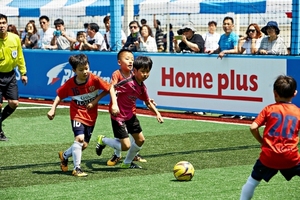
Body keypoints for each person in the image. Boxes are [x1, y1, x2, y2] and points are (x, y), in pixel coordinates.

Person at [47, 54, 118, 176]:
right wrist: (53, 109)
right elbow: (59, 95)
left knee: (83, 145)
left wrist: (112, 104)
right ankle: (77, 169)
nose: (85, 72)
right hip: (77, 113)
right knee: (79, 139)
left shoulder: (94, 79)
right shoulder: (70, 84)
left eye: (86, 68)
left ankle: (64, 156)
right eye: (81, 70)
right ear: (74, 70)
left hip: (91, 116)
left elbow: (110, 88)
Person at [95, 56, 164, 169]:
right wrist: (113, 104)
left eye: (147, 72)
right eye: (142, 71)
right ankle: (103, 139)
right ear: (135, 71)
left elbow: (147, 102)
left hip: (130, 116)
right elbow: (111, 88)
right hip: (119, 117)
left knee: (140, 140)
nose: (145, 74)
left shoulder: (142, 87)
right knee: (126, 146)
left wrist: (157, 113)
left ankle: (126, 163)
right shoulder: (127, 82)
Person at [240, 75, 300, 200]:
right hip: (291, 157)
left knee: (252, 181)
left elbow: (253, 127)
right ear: (295, 93)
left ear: (274, 93)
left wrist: (262, 142)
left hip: (268, 157)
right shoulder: (298, 112)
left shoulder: (269, 109)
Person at [91, 49, 148, 166]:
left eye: (132, 59)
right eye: (127, 59)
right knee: (123, 139)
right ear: (119, 62)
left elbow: (139, 89)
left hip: (130, 110)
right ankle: (113, 150)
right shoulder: (116, 74)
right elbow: (110, 88)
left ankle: (130, 157)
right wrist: (98, 101)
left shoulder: (134, 74)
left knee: (133, 135)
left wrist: (148, 100)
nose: (131, 61)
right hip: (117, 112)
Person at [0, 14, 28, 141]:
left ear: (7, 24)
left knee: (14, 103)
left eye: (3, 22)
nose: (1, 25)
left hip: (10, 75)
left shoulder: (15, 38)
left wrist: (23, 73)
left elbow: (20, 56)